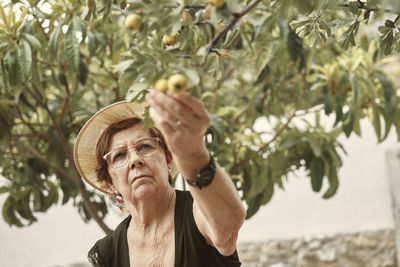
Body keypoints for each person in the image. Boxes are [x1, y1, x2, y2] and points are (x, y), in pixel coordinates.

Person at [73, 90, 246, 267]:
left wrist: (196, 153)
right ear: (110, 182)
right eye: (119, 156)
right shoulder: (108, 253)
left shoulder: (196, 212)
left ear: (168, 159)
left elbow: (229, 224)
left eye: (145, 146)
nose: (135, 160)